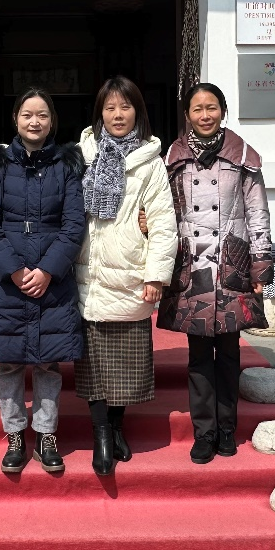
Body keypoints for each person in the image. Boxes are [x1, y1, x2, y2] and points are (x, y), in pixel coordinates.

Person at [0, 89, 85, 474]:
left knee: (49, 363)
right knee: (9, 363)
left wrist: (49, 269)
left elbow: (74, 225)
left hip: (52, 279)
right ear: (15, 119)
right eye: (27, 115)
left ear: (52, 121)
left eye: (42, 115)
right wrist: (16, 270)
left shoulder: (67, 164)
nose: (34, 122)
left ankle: (47, 434)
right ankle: (15, 434)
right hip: (7, 281)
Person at [158, 82, 272, 465]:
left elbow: (258, 214)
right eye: (197, 108)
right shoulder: (172, 158)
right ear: (187, 115)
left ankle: (227, 429)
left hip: (231, 265)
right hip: (192, 266)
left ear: (223, 111)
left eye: (212, 107)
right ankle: (204, 432)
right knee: (197, 356)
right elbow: (162, 211)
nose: (205, 115)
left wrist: (260, 264)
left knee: (228, 352)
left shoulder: (243, 157)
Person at [74, 76, 178, 477]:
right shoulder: (82, 155)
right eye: (110, 108)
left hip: (130, 271)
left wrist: (156, 275)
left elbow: (163, 223)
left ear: (138, 111)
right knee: (94, 364)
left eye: (125, 107)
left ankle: (116, 427)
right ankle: (102, 433)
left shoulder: (150, 162)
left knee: (124, 363)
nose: (118, 115)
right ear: (99, 113)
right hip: (89, 271)